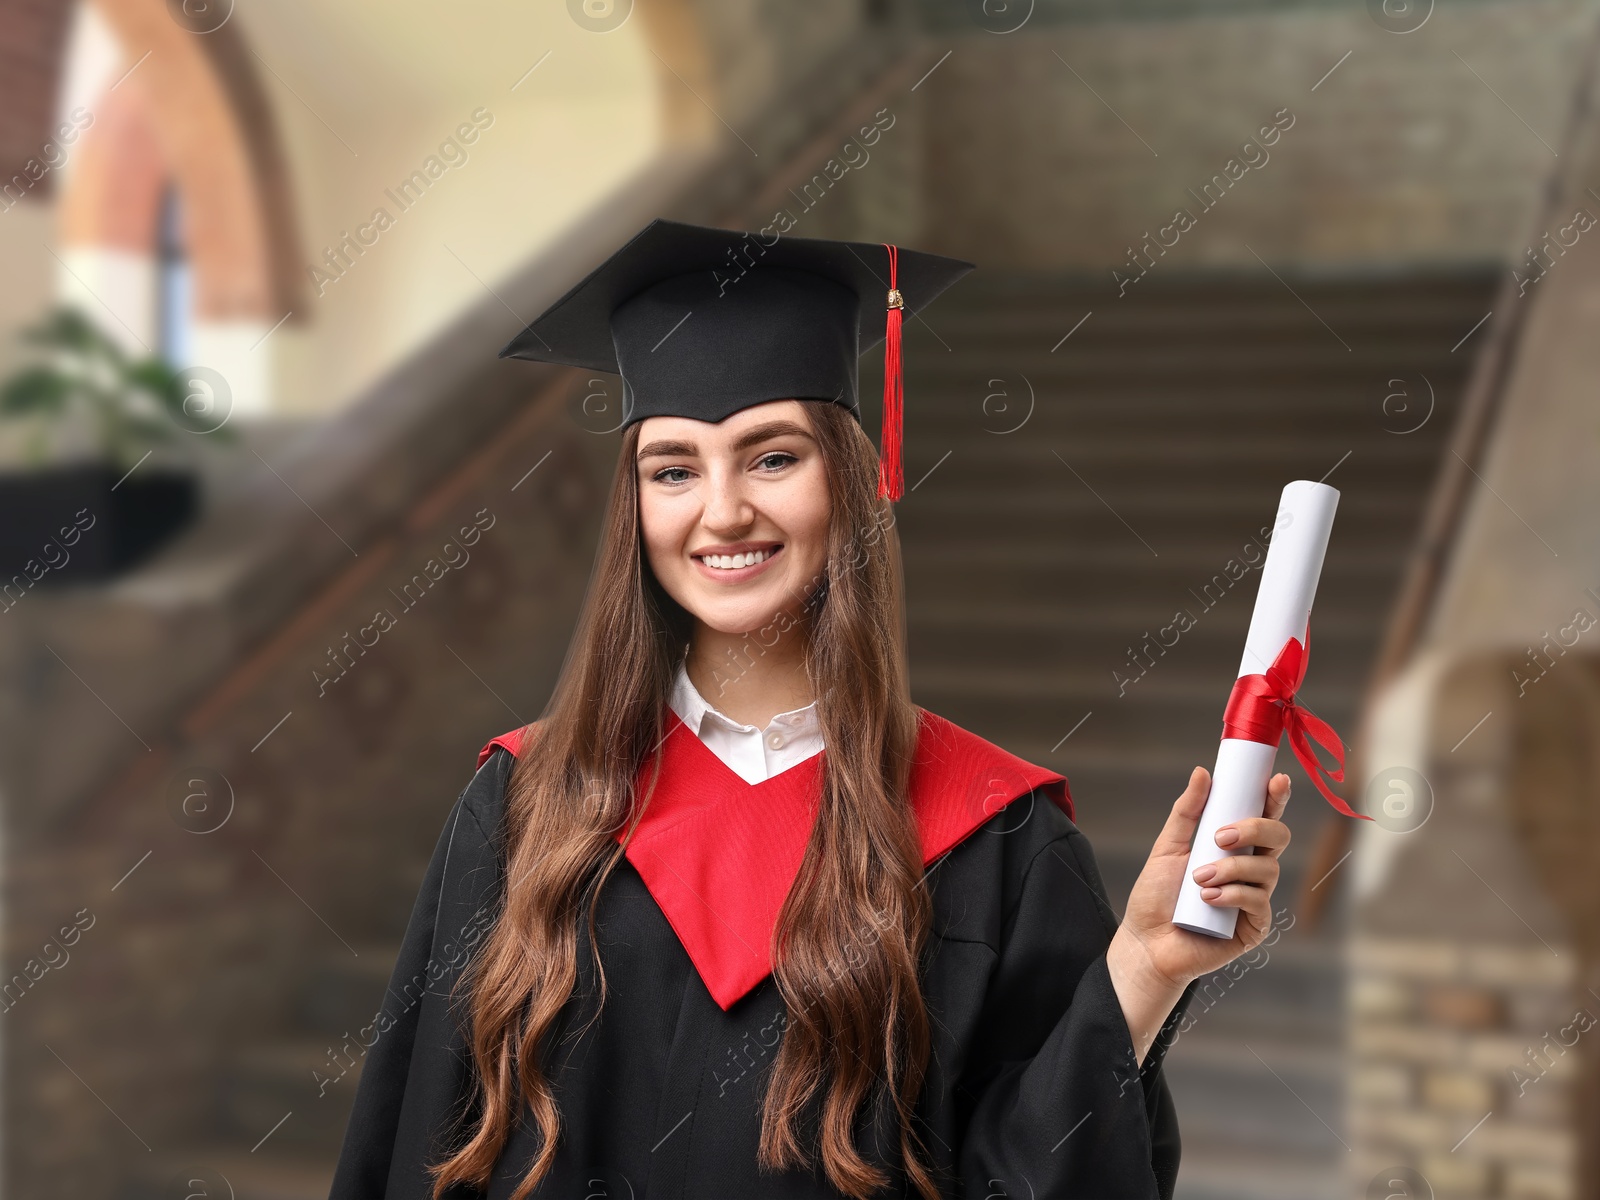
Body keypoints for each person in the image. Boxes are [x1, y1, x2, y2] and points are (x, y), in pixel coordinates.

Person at [327, 219, 1292, 1200]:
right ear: (635, 507)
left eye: (772, 457)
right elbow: (408, 1144)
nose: (722, 512)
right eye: (672, 469)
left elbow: (1023, 1173)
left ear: (854, 476)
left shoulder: (995, 838)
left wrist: (1144, 968)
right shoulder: (522, 805)